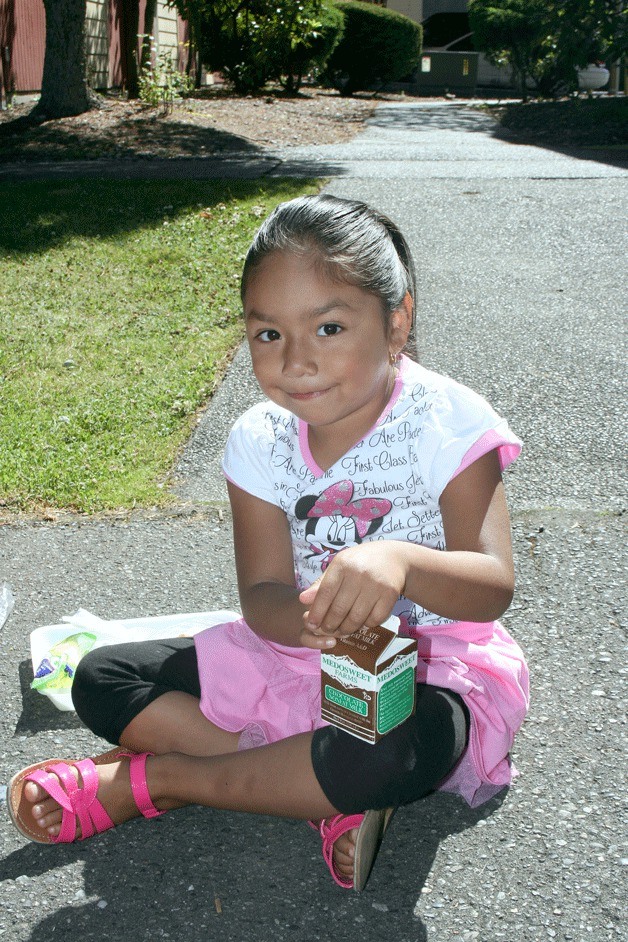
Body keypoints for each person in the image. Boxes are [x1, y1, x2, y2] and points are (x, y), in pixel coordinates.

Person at [8, 194, 529, 892]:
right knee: (101, 679)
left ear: (396, 319)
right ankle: (310, 788)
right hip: (296, 652)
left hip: (437, 667)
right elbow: (261, 597)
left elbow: (491, 584)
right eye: (268, 336)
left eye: (331, 327)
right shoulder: (258, 440)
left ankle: (162, 782)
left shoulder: (451, 423)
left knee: (387, 751)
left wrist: (399, 563)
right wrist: (318, 623)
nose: (298, 362)